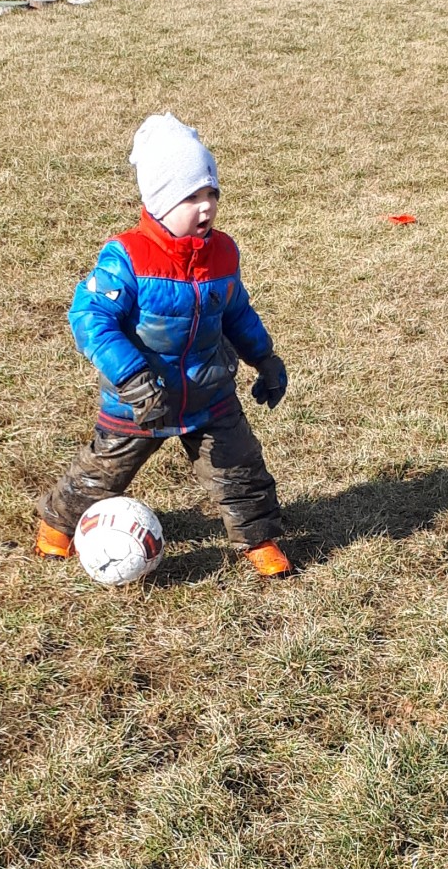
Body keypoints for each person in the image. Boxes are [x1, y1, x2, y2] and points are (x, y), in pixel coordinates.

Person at [34, 112, 293, 576]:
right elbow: (90, 318)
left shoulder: (223, 253)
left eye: (212, 193)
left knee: (240, 469)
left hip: (210, 395)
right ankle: (57, 526)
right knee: (102, 472)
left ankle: (260, 539)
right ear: (158, 201)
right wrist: (132, 377)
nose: (206, 207)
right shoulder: (127, 256)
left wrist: (264, 357)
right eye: (191, 197)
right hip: (140, 400)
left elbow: (236, 311)